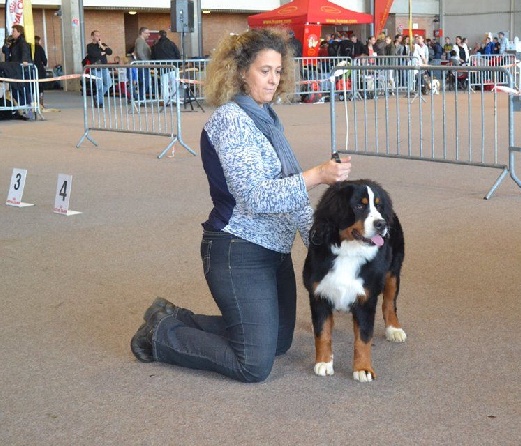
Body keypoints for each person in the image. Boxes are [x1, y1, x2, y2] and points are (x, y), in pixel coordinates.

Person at [130, 27, 352, 383]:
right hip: (236, 250)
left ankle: (174, 316)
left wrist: (322, 248)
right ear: (240, 71)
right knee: (254, 363)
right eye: (265, 70)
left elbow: (290, 193)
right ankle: (160, 335)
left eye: (278, 71)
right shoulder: (231, 120)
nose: (273, 79)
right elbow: (256, 196)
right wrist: (317, 175)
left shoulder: (267, 119)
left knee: (279, 342)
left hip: (274, 252)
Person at [8, 25, 34, 115]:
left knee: (24, 89)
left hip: (22, 69)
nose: (12, 33)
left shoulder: (22, 42)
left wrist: (25, 61)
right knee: (16, 89)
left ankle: (28, 109)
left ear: (19, 32)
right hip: (16, 69)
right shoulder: (14, 43)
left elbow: (25, 52)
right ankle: (23, 108)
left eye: (14, 31)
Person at [85, 30, 113, 107]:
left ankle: (96, 97)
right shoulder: (89, 46)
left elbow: (110, 52)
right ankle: (100, 103)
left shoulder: (103, 44)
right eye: (96, 35)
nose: (98, 37)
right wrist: (102, 53)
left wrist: (102, 47)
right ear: (92, 37)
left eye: (99, 35)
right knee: (99, 85)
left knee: (108, 84)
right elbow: (93, 54)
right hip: (95, 68)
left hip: (104, 67)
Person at [134, 27, 152, 101]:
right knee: (145, 82)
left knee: (144, 82)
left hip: (143, 64)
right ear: (142, 33)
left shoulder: (141, 41)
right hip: (142, 65)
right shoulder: (140, 41)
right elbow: (140, 52)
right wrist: (146, 61)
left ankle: (140, 97)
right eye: (147, 33)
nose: (149, 34)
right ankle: (140, 98)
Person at [33, 36, 48, 108]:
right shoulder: (39, 48)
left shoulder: (30, 48)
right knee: (40, 87)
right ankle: (40, 103)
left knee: (32, 87)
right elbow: (44, 60)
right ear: (38, 41)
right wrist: (44, 63)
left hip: (31, 69)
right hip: (39, 70)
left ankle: (33, 102)